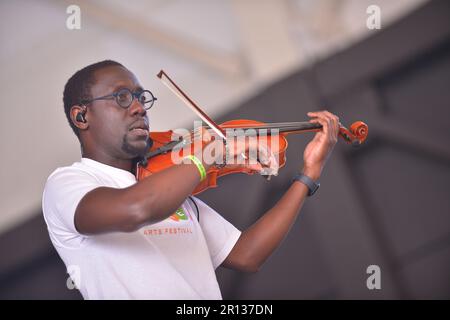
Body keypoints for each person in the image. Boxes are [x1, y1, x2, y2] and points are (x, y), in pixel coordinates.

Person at [42, 60, 340, 299]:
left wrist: (308, 174)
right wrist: (213, 151)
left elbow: (248, 254)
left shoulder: (174, 192)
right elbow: (136, 210)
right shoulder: (69, 184)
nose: (139, 107)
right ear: (82, 116)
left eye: (140, 97)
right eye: (121, 97)